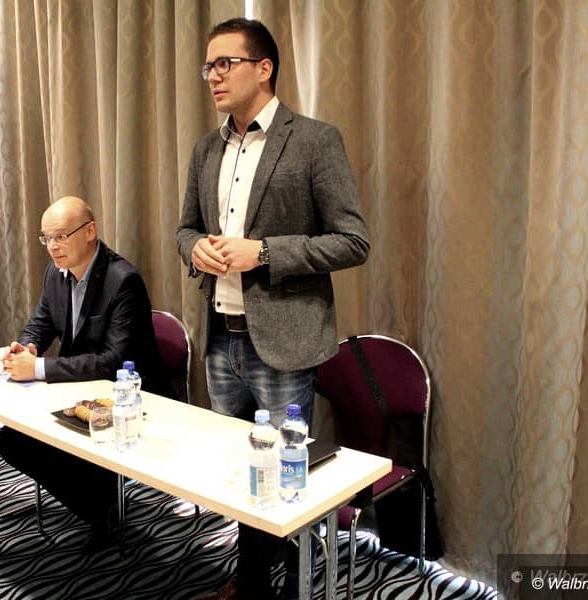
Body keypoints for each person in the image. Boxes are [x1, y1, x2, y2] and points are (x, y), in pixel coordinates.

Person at [176, 18, 369, 600]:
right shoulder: (206, 148)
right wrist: (196, 249)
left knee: (286, 482)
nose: (213, 76)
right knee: (239, 477)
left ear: (264, 68)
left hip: (283, 344)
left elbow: (353, 241)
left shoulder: (313, 140)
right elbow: (185, 228)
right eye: (208, 66)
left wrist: (262, 253)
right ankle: (255, 579)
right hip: (221, 337)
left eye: (225, 63)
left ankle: (290, 584)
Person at [0, 195, 170, 549]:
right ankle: (99, 507)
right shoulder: (55, 273)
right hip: (77, 393)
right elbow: (41, 322)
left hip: (128, 400)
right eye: (47, 238)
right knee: (12, 440)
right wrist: (27, 347)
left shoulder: (123, 281)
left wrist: (38, 368)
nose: (53, 247)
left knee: (54, 445)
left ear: (90, 231)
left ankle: (103, 511)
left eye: (61, 236)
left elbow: (112, 361)